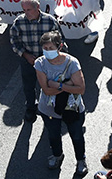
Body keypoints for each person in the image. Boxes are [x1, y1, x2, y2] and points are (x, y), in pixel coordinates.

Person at [35, 30, 90, 177]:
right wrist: (68, 85)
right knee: (53, 135)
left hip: (72, 108)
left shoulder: (72, 63)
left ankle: (81, 160)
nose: (47, 52)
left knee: (77, 136)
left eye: (50, 48)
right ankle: (57, 155)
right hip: (49, 109)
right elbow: (46, 90)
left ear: (59, 47)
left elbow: (81, 89)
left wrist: (58, 86)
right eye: (45, 49)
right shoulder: (39, 63)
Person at [10, 0, 61, 122]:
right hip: (28, 60)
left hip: (47, 61)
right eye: (24, 10)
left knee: (48, 85)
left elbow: (59, 41)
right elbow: (14, 42)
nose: (26, 13)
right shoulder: (19, 22)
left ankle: (50, 109)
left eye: (29, 10)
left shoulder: (50, 21)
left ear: (37, 7)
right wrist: (25, 55)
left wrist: (49, 57)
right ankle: (31, 108)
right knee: (28, 86)